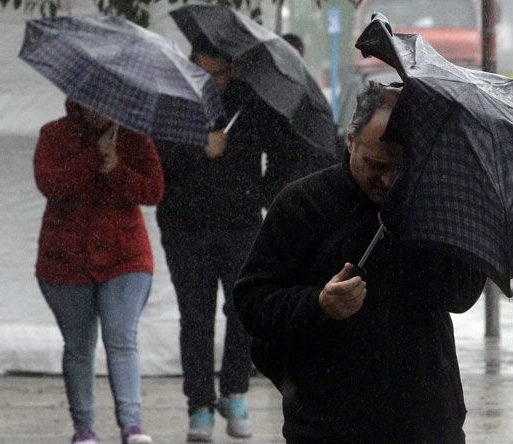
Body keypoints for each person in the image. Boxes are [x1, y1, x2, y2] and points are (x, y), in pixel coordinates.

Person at [233, 81, 488, 443]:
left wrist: (452, 226)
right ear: (351, 141)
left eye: (400, 167)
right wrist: (318, 303)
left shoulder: (435, 206)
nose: (387, 180)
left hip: (424, 415)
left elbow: (460, 295)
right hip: (329, 421)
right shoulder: (303, 204)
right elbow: (252, 302)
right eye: (375, 165)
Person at [155, 39, 315, 442]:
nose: (214, 82)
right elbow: (157, 166)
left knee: (243, 312)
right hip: (185, 228)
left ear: (232, 71)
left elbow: (285, 149)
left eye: (221, 73)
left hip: (240, 224)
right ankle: (199, 403)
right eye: (204, 73)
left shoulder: (250, 104)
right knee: (196, 318)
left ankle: (234, 391)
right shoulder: (173, 104)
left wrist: (263, 193)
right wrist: (199, 147)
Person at [34, 99, 164, 444]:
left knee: (121, 338)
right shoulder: (53, 135)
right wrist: (93, 157)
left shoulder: (135, 137)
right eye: (90, 102)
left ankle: (132, 425)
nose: (99, 110)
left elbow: (153, 191)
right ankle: (84, 429)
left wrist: (115, 167)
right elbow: (50, 183)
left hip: (125, 257)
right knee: (78, 346)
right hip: (65, 260)